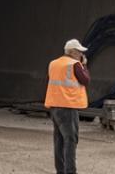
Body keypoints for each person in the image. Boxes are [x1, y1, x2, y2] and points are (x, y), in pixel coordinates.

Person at [44, 38, 90, 174]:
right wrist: (84, 65)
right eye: (80, 52)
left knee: (59, 140)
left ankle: (60, 171)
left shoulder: (53, 63)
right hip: (68, 107)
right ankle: (70, 171)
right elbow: (85, 80)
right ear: (73, 52)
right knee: (70, 140)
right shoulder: (75, 64)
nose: (81, 55)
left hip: (55, 107)